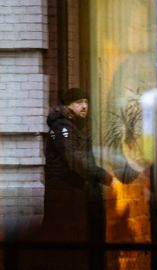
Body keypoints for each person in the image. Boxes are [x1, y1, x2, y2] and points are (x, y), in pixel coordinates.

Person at [42, 87, 111, 241]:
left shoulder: (77, 125)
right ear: (68, 105)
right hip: (64, 192)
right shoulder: (62, 127)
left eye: (86, 102)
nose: (84, 106)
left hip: (75, 190)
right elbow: (73, 157)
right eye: (78, 102)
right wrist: (101, 174)